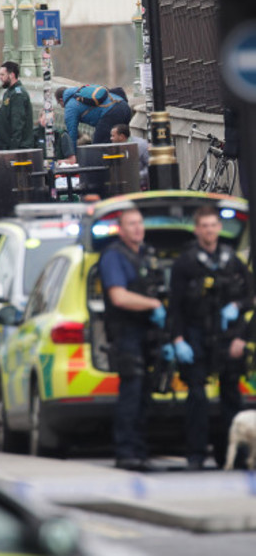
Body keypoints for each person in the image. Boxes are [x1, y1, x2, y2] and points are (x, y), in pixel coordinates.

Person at [169, 205, 253, 470]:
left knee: (231, 397)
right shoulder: (185, 262)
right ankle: (195, 455)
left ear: (219, 227)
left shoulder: (232, 259)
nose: (209, 230)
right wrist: (178, 340)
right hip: (196, 336)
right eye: (204, 225)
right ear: (197, 230)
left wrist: (239, 321)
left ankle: (234, 457)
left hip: (229, 338)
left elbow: (251, 296)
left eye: (213, 224)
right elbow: (176, 306)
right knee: (197, 397)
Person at [99, 208, 167, 471]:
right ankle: (126, 453)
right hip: (126, 333)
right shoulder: (114, 257)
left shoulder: (147, 255)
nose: (138, 228)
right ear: (121, 229)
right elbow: (119, 297)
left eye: (140, 222)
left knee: (143, 396)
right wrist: (153, 304)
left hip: (147, 333)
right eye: (131, 224)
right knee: (131, 394)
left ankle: (140, 452)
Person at [55, 85, 131, 163]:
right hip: (125, 107)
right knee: (120, 144)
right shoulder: (82, 90)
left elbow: (72, 134)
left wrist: (72, 156)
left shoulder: (70, 107)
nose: (61, 107)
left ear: (61, 100)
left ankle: (105, 173)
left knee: (97, 150)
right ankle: (125, 168)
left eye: (59, 104)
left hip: (111, 112)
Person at [0, 61, 33, 150]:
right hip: (6, 144)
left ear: (12, 75)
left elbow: (17, 122)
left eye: (3, 75)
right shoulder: (9, 92)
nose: (0, 78)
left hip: (18, 147)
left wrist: (13, 148)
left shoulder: (18, 94)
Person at [110, 123, 150, 190]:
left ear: (121, 137)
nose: (111, 138)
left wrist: (136, 175)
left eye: (113, 136)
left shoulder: (141, 145)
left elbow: (150, 167)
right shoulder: (115, 147)